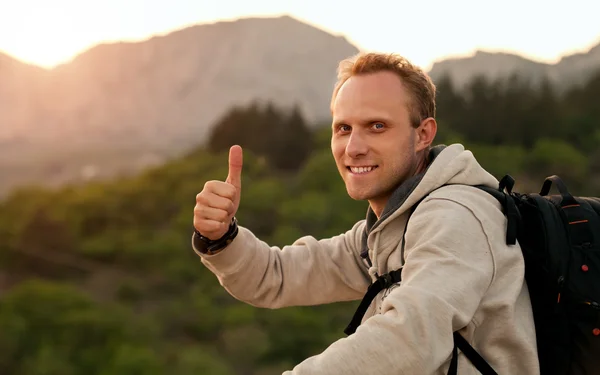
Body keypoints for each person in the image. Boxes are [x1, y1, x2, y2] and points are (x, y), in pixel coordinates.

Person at [191, 52, 540, 374]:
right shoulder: (386, 232)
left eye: (377, 126)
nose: (354, 148)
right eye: (343, 128)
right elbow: (277, 276)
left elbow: (409, 339)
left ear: (423, 134)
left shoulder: (458, 217)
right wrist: (220, 237)